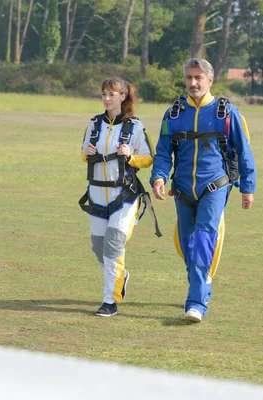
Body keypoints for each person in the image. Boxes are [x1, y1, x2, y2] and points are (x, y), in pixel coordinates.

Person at [150, 58, 256, 323]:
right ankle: (203, 284)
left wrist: (247, 188)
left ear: (210, 80)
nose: (193, 83)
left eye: (198, 78)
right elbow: (164, 151)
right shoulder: (173, 113)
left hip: (215, 185)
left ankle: (196, 302)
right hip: (183, 188)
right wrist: (159, 177)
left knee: (203, 240)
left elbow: (244, 152)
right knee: (187, 246)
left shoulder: (226, 113)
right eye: (189, 77)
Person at [79, 77, 156, 317]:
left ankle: (109, 301)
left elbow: (149, 157)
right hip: (96, 196)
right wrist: (86, 152)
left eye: (111, 94)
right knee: (99, 248)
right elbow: (83, 154)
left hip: (124, 196)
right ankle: (119, 278)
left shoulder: (135, 126)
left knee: (113, 246)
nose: (106, 98)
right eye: (103, 93)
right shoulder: (93, 124)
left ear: (123, 97)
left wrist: (130, 156)